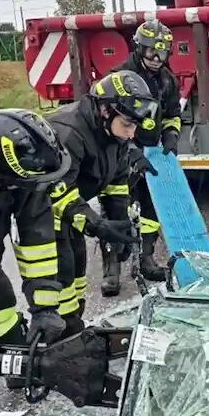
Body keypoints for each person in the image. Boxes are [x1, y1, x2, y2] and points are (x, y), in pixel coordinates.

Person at [47, 70, 159, 335]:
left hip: (70, 215)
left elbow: (116, 179)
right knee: (58, 282)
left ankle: (73, 332)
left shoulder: (113, 134)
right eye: (128, 124)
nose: (131, 134)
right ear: (106, 110)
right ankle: (55, 341)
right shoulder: (69, 132)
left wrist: (118, 219)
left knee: (76, 280)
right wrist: (97, 224)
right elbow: (57, 192)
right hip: (44, 216)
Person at [99, 20, 180, 294]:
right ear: (139, 48)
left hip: (151, 152)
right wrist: (132, 153)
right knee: (115, 209)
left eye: (162, 53)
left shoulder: (168, 80)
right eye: (151, 52)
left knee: (150, 208)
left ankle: (146, 258)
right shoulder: (121, 77)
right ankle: (112, 269)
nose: (156, 59)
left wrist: (171, 136)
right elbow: (111, 122)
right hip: (119, 152)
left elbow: (172, 116)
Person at [0, 108, 72, 347]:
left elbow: (37, 241)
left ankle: (16, 357)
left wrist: (45, 308)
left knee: (0, 305)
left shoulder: (25, 176)